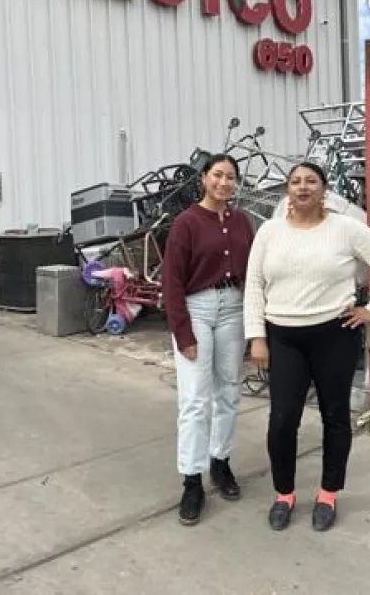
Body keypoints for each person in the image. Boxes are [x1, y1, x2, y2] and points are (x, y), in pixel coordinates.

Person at [243, 162, 370, 533]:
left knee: (335, 417)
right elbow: (254, 285)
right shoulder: (269, 232)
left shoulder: (345, 229)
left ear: (323, 189)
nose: (303, 188)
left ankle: (328, 493)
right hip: (283, 337)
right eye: (296, 182)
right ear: (288, 189)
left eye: (311, 181)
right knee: (282, 420)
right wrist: (257, 336)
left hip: (334, 335)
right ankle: (284, 494)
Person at [162, 153, 255, 526]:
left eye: (230, 177)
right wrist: (182, 331)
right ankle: (191, 479)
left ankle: (221, 461)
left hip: (233, 306)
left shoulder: (242, 221)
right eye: (217, 175)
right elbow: (172, 282)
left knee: (229, 390)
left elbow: (253, 270)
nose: (224, 183)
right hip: (197, 309)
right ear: (204, 179)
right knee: (196, 399)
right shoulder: (186, 223)